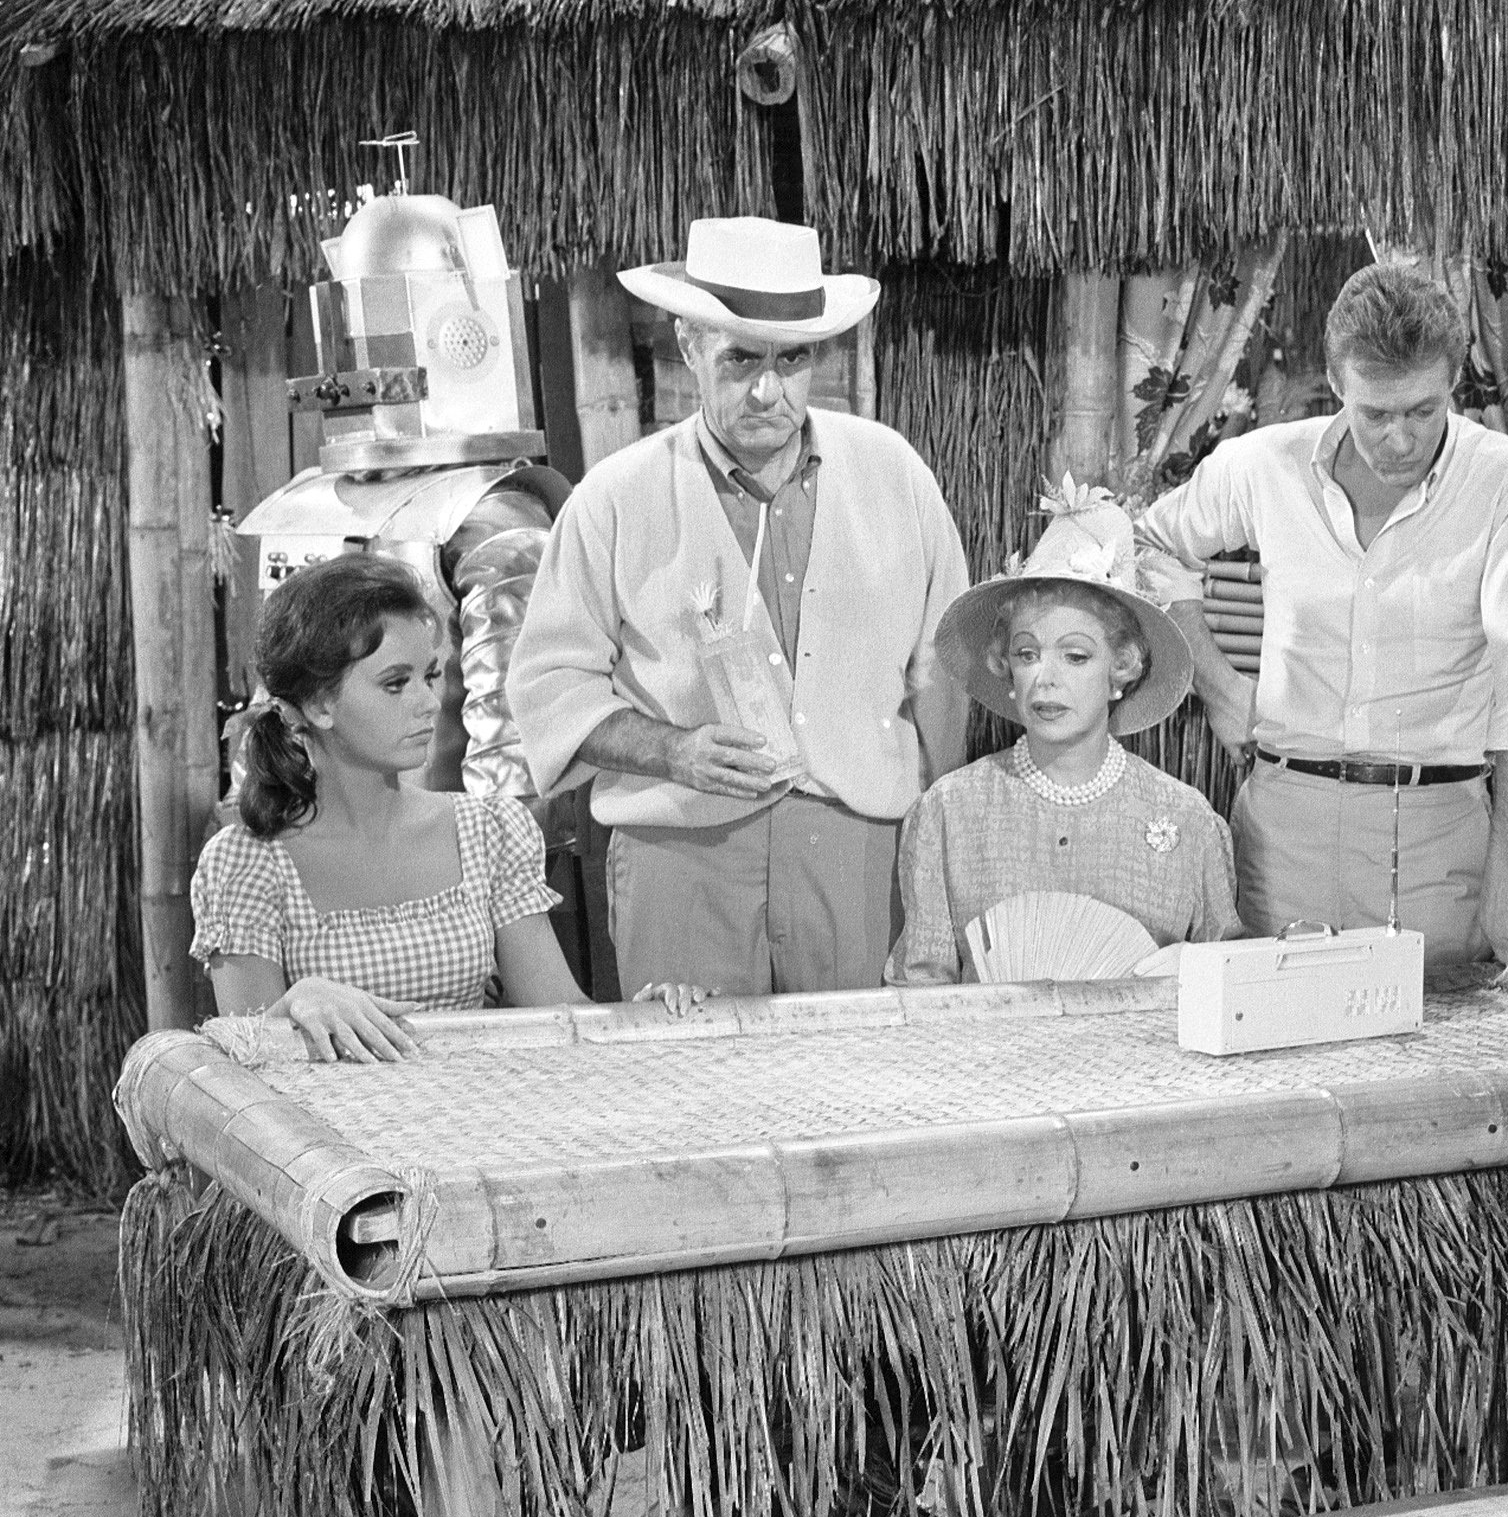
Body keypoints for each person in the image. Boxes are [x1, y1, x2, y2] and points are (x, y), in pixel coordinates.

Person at [509, 216, 971, 996]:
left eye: (791, 360)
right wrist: (674, 751)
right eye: (740, 360)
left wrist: (937, 833)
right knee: (688, 1097)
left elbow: (944, 663)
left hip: (860, 844)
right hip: (680, 853)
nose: (768, 390)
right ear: (688, 346)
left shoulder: (892, 471)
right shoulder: (616, 498)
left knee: (863, 1091)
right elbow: (551, 685)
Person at [1136, 262, 1508, 967]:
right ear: (1337, 385)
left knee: (1432, 1064)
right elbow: (1144, 544)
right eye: (1375, 414)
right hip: (1281, 827)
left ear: (1455, 382)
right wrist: (1220, 686)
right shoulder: (1261, 465)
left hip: (1438, 834)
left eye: (1423, 411)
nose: (1399, 440)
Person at [191, 554, 691, 1061]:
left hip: (472, 1122)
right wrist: (295, 1005)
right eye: (395, 683)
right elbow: (245, 1067)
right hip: (328, 1132)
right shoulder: (247, 865)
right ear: (320, 705)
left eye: (429, 676)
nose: (428, 702)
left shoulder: (486, 830)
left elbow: (560, 1018)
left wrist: (648, 1016)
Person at [886, 486, 1239, 983]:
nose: (1045, 679)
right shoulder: (948, 812)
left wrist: (1199, 969)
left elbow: (1229, 981)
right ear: (1006, 669)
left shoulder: (1188, 818)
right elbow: (921, 985)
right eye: (1027, 654)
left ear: (1121, 669)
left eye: (1075, 656)